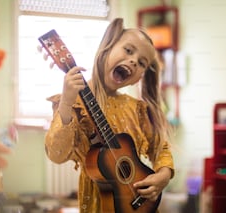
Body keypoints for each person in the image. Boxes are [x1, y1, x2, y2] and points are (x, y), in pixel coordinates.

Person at [45, 18, 174, 212]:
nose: (133, 61)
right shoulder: (74, 103)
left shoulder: (137, 110)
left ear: (139, 77)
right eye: (129, 50)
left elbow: (160, 148)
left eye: (141, 63)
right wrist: (66, 103)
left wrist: (163, 175)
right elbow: (56, 154)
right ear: (107, 47)